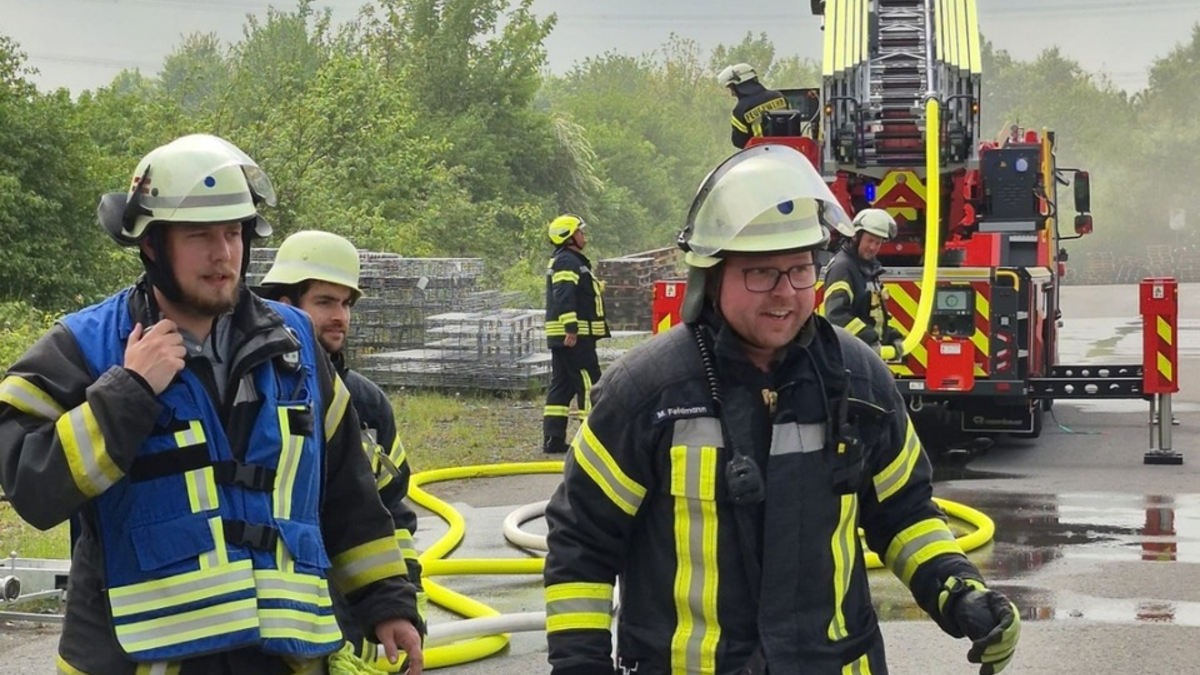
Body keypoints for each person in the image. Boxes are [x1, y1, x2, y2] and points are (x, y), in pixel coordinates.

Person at [543, 145, 1019, 675]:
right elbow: (583, 541)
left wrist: (959, 590)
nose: (786, 294)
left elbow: (904, 512)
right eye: (761, 273)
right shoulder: (647, 393)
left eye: (799, 270)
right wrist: (579, 665)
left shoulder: (859, 381)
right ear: (712, 276)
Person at [0, 134, 424, 675]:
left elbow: (348, 489)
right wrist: (128, 392)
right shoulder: (83, 346)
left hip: (280, 657)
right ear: (151, 245)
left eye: (232, 232)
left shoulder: (294, 342)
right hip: (139, 660)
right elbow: (31, 486)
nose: (222, 253)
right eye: (199, 235)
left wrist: (385, 601)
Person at [256, 229, 427, 664]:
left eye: (346, 303)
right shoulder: (253, 394)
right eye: (325, 302)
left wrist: (402, 601)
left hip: (356, 619)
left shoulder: (366, 403)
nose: (341, 317)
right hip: (276, 620)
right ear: (285, 305)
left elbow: (391, 509)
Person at [543, 214, 609, 455]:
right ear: (568, 237)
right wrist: (571, 329)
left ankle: (553, 439)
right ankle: (592, 440)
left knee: (561, 386)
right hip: (574, 337)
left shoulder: (567, 260)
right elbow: (563, 295)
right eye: (580, 232)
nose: (584, 235)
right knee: (589, 383)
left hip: (566, 336)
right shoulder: (567, 261)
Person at [821, 208, 903, 353]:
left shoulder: (867, 269)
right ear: (855, 237)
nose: (873, 247)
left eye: (878, 243)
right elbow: (836, 316)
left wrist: (890, 335)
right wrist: (868, 338)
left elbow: (866, 315)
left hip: (862, 352)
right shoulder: (843, 268)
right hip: (849, 355)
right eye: (870, 240)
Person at [718, 62, 788, 149]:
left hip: (761, 154)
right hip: (789, 152)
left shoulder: (740, 110)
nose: (732, 94)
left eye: (732, 88)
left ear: (740, 86)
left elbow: (739, 142)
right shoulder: (779, 97)